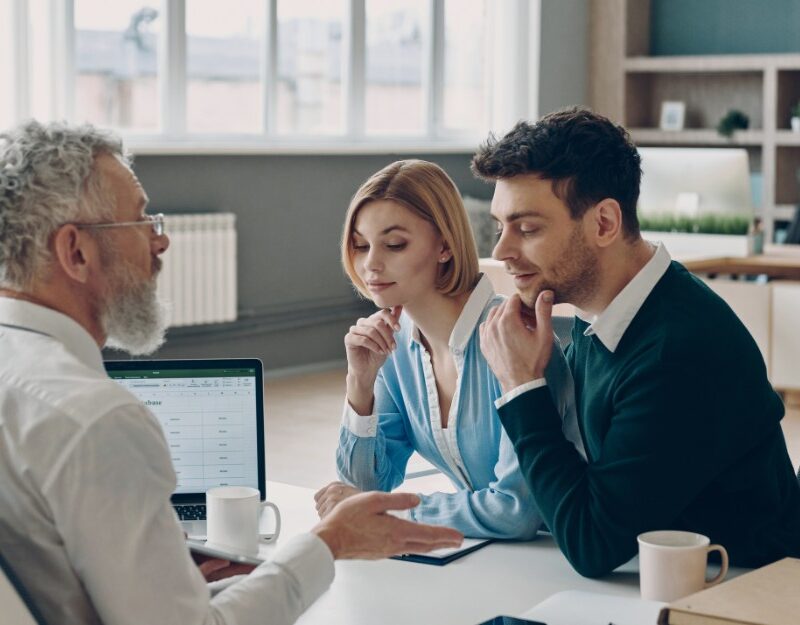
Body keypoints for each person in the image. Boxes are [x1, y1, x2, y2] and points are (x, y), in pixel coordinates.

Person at [0, 121, 463, 625]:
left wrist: (160, 581)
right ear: (76, 251)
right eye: (142, 223)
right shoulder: (96, 421)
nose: (162, 242)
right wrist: (327, 545)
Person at [472, 107, 800, 577]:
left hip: (739, 589)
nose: (502, 251)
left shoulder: (678, 350)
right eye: (501, 227)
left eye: (527, 229)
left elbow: (593, 546)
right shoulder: (602, 317)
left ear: (604, 223)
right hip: (666, 577)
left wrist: (523, 388)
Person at [314, 159, 581, 539]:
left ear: (444, 246)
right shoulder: (394, 348)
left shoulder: (512, 341)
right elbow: (366, 488)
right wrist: (360, 384)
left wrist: (392, 515)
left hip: (569, 555)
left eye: (394, 244)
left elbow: (515, 511)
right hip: (487, 558)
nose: (371, 263)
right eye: (360, 245)